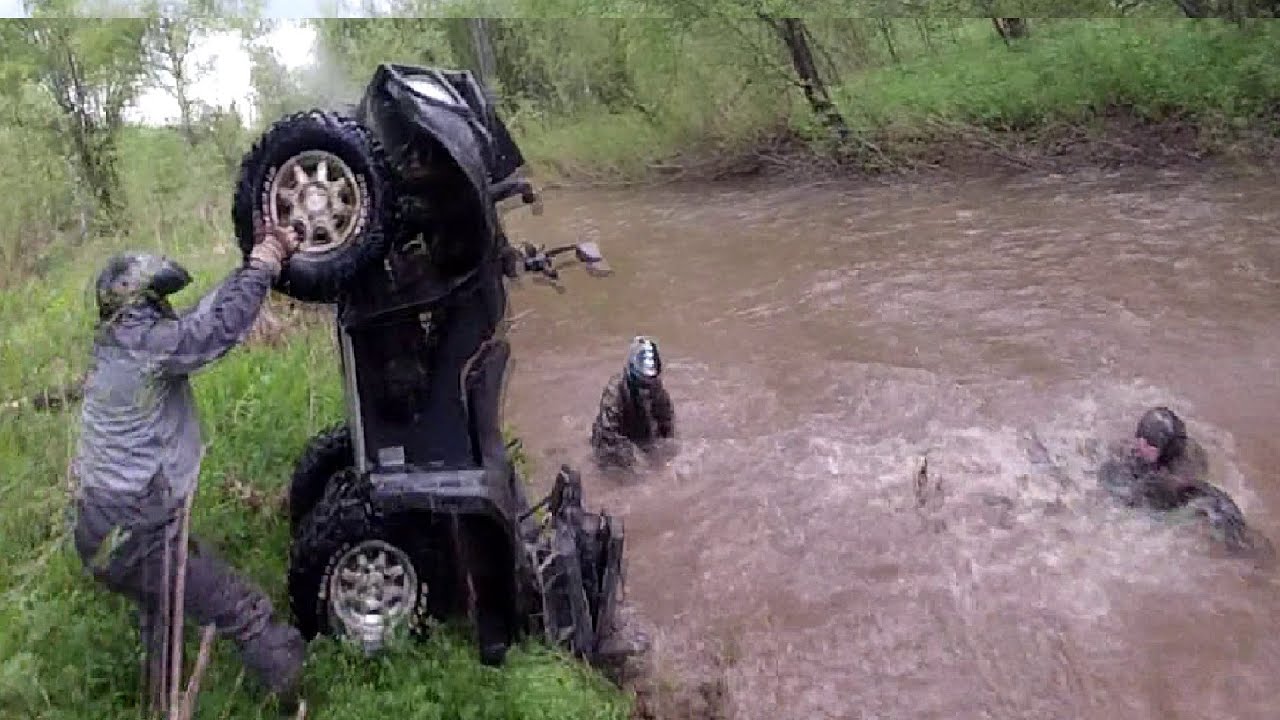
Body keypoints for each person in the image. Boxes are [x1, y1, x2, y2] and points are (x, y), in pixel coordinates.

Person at [69, 217, 306, 710]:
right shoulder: (143, 348)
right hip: (135, 530)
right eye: (157, 300)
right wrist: (265, 262)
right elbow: (212, 329)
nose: (165, 308)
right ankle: (301, 696)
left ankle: (161, 704)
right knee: (241, 608)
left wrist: (249, 270)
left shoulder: (119, 345)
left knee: (164, 616)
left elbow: (199, 316)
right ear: (138, 305)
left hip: (107, 526)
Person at [1097, 406, 1267, 556]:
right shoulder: (1124, 462)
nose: (1142, 445)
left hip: (1170, 506)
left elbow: (1201, 490)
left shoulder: (1184, 465)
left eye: (1150, 444)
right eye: (1144, 441)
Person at [589, 336, 676, 472]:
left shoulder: (656, 388)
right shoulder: (614, 391)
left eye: (649, 383)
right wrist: (634, 457)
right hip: (612, 441)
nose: (646, 390)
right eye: (642, 383)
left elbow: (667, 423)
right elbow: (608, 434)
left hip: (640, 432)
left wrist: (666, 454)